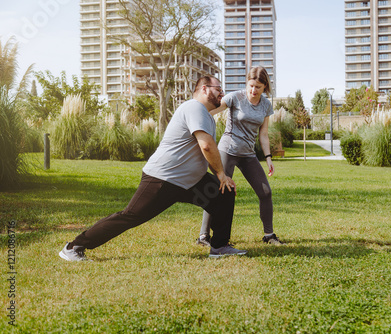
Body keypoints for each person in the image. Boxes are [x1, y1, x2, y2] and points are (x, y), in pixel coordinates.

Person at [59, 76, 247, 261]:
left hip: (188, 182)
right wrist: (221, 174)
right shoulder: (194, 107)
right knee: (130, 216)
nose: (222, 93)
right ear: (204, 89)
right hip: (163, 179)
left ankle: (220, 246)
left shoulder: (206, 116)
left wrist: (221, 178)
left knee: (224, 193)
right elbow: (206, 145)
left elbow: (206, 150)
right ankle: (74, 246)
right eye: (218, 89)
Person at [196, 66, 284, 246]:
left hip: (248, 154)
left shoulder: (266, 105)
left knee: (265, 192)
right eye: (251, 86)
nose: (253, 90)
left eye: (258, 87)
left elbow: (264, 134)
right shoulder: (235, 97)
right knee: (216, 191)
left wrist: (268, 157)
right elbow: (210, 110)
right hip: (228, 150)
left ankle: (269, 235)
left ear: (265, 87)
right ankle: (204, 236)